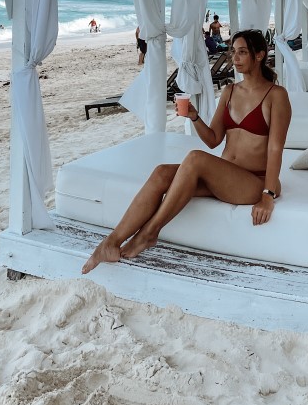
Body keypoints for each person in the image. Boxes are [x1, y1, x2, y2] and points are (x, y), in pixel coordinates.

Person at [82, 29, 291, 274]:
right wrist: (194, 117)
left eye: (242, 52)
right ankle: (111, 242)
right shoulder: (230, 92)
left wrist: (267, 195)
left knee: (195, 158)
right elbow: (213, 140)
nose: (235, 57)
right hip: (225, 178)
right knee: (161, 173)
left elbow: (276, 148)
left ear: (259, 55)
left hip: (253, 182)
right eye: (233, 51)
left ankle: (149, 233)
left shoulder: (276, 95)